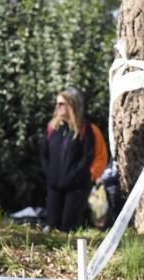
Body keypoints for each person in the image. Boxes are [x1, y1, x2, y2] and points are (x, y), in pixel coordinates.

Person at [40, 87, 96, 233]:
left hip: (75, 186)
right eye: (57, 104)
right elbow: (44, 154)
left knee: (68, 226)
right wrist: (50, 175)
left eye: (61, 104)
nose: (57, 107)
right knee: (52, 225)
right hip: (54, 185)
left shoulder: (85, 128)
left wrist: (73, 176)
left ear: (72, 105)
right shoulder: (52, 127)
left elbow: (87, 157)